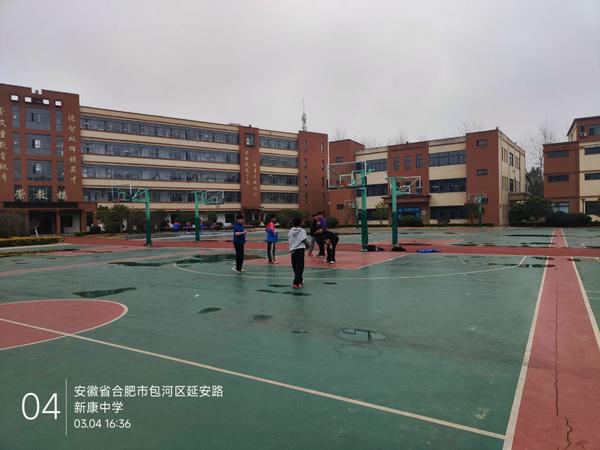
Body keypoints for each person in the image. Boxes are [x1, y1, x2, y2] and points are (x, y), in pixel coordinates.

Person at [288, 216, 309, 288]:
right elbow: (304, 239)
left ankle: (300, 280)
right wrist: (308, 245)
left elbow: (290, 239)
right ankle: (296, 283)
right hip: (300, 249)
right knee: (300, 266)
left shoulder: (291, 231)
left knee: (295, 266)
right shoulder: (302, 230)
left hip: (293, 250)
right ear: (300, 223)